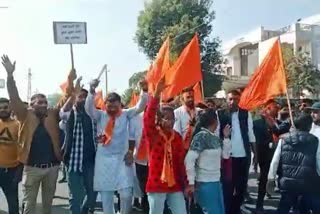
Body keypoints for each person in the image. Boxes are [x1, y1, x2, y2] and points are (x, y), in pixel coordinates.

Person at [2, 55, 75, 214]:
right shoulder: (24, 114)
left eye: (45, 102)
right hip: (31, 169)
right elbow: (14, 98)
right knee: (29, 206)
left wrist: (70, 79)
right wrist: (9, 76)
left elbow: (67, 97)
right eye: (39, 102)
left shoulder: (53, 113)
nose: (43, 104)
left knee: (47, 206)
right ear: (31, 104)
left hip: (52, 168)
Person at [85, 79, 148, 214]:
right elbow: (88, 108)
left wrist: (144, 91)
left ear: (120, 105)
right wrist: (92, 90)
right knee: (106, 196)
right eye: (109, 106)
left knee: (126, 194)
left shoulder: (126, 114)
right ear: (105, 105)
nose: (112, 109)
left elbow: (140, 107)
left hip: (122, 159)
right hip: (104, 160)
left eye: (115, 106)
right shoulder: (100, 115)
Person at [143, 78, 187, 214]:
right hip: (156, 184)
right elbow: (148, 118)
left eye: (173, 118)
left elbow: (181, 162)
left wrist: (186, 183)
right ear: (159, 119)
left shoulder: (177, 137)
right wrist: (156, 94)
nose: (171, 121)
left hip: (175, 184)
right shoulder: (153, 133)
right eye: (167, 118)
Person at [267, 114, 320, 214]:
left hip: (287, 183)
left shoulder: (283, 139)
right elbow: (318, 161)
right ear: (309, 126)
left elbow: (275, 161)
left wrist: (271, 178)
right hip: (307, 183)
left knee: (283, 208)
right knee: (304, 209)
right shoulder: (315, 140)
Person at [60, 77, 97, 214]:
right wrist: (73, 93)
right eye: (79, 97)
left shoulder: (94, 114)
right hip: (73, 161)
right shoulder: (70, 114)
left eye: (85, 97)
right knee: (75, 197)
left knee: (93, 192)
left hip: (91, 162)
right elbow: (62, 112)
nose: (82, 99)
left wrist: (92, 90)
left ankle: (85, 211)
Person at [184, 109, 231, 214]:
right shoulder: (201, 136)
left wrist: (226, 138)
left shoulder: (214, 137)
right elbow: (189, 160)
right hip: (204, 183)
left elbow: (225, 155)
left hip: (216, 182)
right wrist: (191, 182)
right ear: (215, 121)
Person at [218, 89, 256, 214]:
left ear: (239, 100)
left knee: (241, 186)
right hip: (227, 157)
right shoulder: (220, 114)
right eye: (230, 99)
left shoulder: (245, 114)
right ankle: (227, 210)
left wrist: (255, 154)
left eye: (235, 99)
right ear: (226, 100)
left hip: (243, 156)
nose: (233, 102)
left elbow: (250, 134)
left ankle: (236, 209)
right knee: (228, 186)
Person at [253, 100, 287, 213]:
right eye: (274, 107)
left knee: (283, 179)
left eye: (277, 107)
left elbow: (278, 133)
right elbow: (257, 142)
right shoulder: (258, 123)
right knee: (263, 180)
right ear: (267, 109)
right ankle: (259, 205)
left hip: (279, 156)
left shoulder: (277, 122)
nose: (277, 109)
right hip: (266, 156)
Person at [0, 98, 21, 214]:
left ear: (10, 108)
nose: (3, 110)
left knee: (13, 205)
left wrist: (19, 171)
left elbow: (22, 149)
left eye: (5, 107)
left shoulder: (18, 125)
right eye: (0, 108)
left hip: (11, 171)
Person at [129, 112, 149, 213]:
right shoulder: (135, 118)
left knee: (153, 192)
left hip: (157, 161)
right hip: (140, 160)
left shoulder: (160, 116)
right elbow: (131, 138)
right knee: (145, 190)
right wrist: (130, 153)